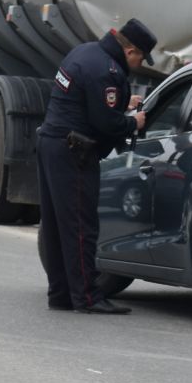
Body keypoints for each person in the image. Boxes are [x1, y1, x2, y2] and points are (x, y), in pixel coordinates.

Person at [37, 18, 156, 314]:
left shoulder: (84, 52)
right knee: (81, 227)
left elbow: (88, 101)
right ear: (131, 51)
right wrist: (133, 121)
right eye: (141, 57)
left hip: (52, 143)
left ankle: (61, 294)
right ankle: (88, 297)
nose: (141, 63)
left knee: (55, 226)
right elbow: (105, 121)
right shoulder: (107, 70)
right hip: (74, 152)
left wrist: (123, 103)